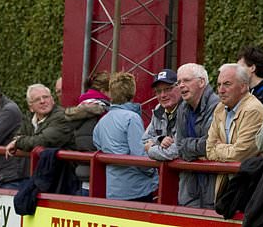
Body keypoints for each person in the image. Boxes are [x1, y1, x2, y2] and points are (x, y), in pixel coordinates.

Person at [92, 72, 157, 201]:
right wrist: (153, 171)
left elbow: (97, 143)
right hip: (136, 188)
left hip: (113, 188)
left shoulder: (103, 121)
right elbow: (139, 154)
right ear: (132, 92)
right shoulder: (132, 118)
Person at [206, 63, 263, 196]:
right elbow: (209, 149)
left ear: (244, 87)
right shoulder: (220, 108)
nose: (221, 90)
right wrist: (226, 148)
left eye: (227, 84)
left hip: (251, 186)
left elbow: (241, 154)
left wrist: (219, 148)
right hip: (229, 185)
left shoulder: (253, 110)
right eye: (219, 84)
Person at [171, 63, 219, 208]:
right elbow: (179, 145)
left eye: (186, 80)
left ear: (201, 82)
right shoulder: (181, 108)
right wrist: (191, 148)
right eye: (179, 82)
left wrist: (187, 146)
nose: (181, 85)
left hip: (213, 188)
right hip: (189, 188)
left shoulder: (217, 105)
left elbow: (209, 145)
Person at [8, 84, 72, 154]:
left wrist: (18, 142)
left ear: (52, 100)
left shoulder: (62, 116)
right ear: (31, 108)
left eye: (46, 97)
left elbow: (42, 141)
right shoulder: (29, 118)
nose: (42, 101)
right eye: (37, 99)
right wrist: (18, 141)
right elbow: (17, 136)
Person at [143, 69, 181, 162]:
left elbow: (176, 150)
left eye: (168, 89)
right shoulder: (158, 110)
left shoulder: (188, 111)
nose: (163, 95)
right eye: (158, 91)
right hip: (163, 173)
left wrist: (150, 149)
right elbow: (143, 141)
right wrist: (160, 140)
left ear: (179, 87)